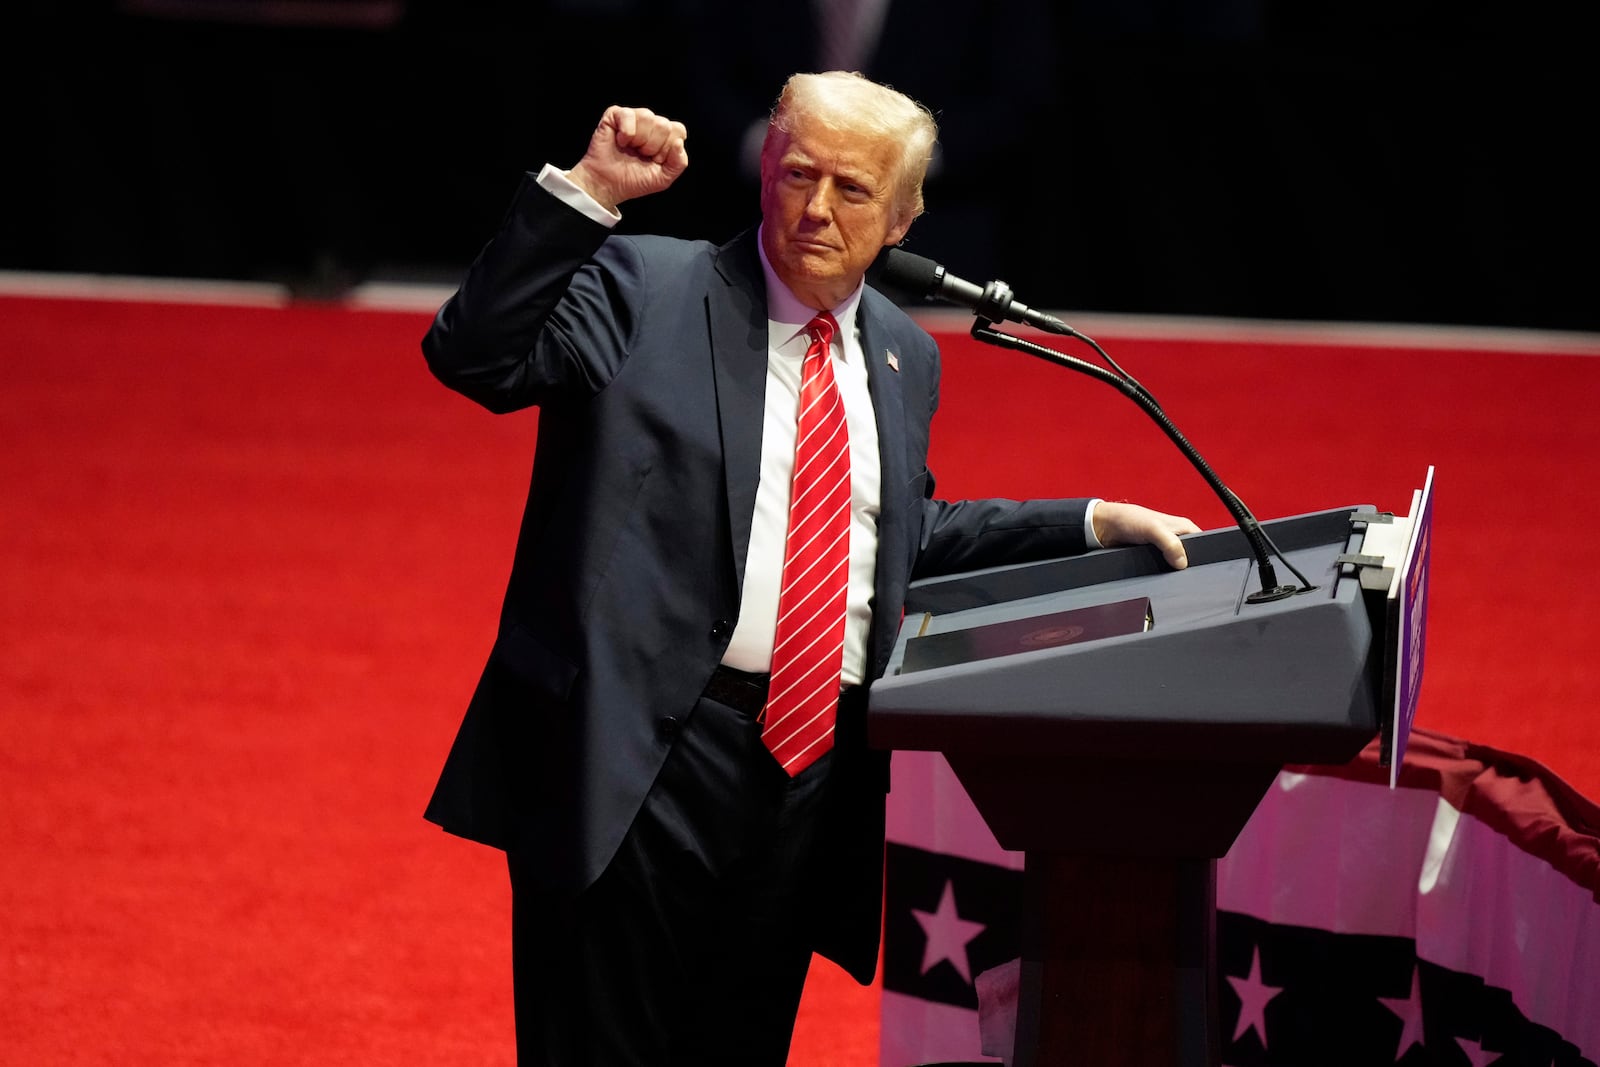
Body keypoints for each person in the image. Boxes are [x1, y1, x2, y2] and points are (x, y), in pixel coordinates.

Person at [420, 71, 1198, 1066]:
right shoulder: (644, 287)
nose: (818, 208)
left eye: (855, 189)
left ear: (907, 214)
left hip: (805, 780)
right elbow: (472, 355)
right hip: (639, 756)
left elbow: (895, 528)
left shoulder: (903, 354)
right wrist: (587, 192)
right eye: (797, 174)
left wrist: (1087, 521)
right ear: (763, 172)